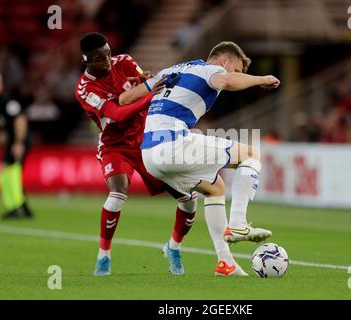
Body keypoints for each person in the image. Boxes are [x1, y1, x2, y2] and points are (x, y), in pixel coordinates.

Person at [120, 41, 280, 275]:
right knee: (251, 154)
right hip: (172, 145)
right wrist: (262, 78)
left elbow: (125, 99)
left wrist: (143, 84)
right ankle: (238, 224)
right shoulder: (210, 70)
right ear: (224, 60)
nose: (236, 75)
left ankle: (226, 263)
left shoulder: (169, 71)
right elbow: (225, 81)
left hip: (150, 156)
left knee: (215, 188)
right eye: (237, 69)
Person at [75, 32, 204, 277]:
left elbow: (145, 78)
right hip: (115, 145)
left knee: (188, 198)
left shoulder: (123, 61)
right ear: (87, 60)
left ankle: (173, 247)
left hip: (148, 139)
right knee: (117, 192)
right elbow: (118, 113)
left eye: (108, 54)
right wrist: (149, 96)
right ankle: (104, 256)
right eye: (100, 59)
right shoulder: (85, 89)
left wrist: (154, 82)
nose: (108, 61)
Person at [0, 69, 34, 219]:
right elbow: (6, 131)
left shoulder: (6, 102)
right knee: (7, 174)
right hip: (13, 142)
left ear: (0, 85)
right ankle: (21, 207)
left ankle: (16, 207)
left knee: (7, 173)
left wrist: (19, 143)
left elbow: (20, 119)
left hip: (19, 142)